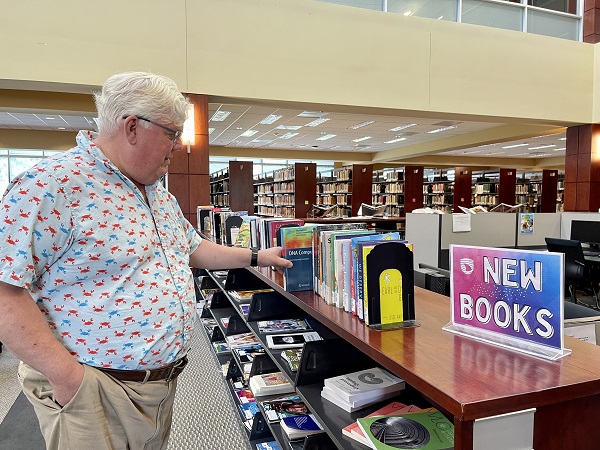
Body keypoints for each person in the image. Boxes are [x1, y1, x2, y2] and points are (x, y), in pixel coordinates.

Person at [0, 71, 292, 450]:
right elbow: (6, 290)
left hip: (159, 384)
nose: (179, 146)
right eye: (172, 133)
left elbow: (192, 249)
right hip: (95, 387)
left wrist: (256, 255)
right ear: (133, 127)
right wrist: (68, 377)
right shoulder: (50, 185)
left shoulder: (157, 193)